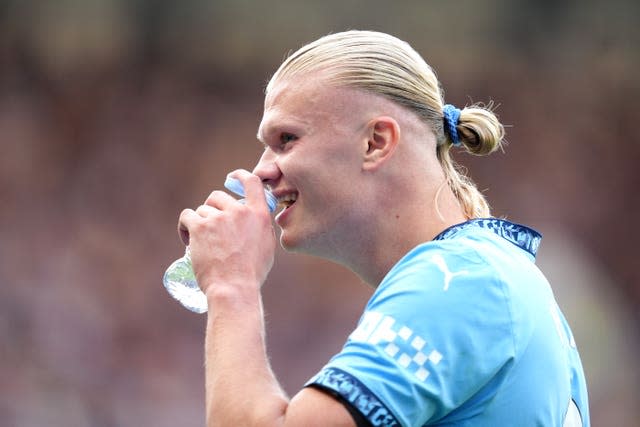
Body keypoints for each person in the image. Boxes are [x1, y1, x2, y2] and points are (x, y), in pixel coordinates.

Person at [177, 30, 590, 427]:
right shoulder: (484, 273)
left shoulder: (461, 280)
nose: (261, 170)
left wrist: (232, 286)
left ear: (376, 142)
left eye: (286, 139)